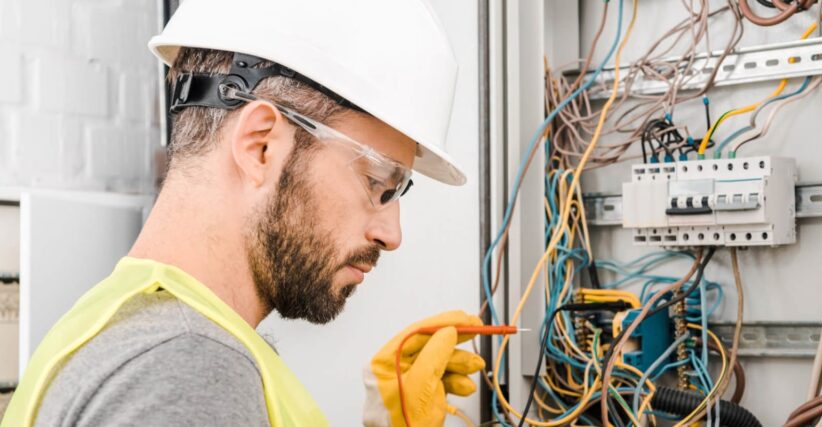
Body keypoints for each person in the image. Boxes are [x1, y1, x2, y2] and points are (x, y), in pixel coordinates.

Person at [0, 0, 483, 426]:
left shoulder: (117, 324)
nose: (391, 233)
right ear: (261, 147)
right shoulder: (189, 372)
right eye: (379, 183)